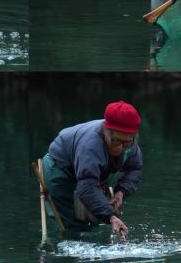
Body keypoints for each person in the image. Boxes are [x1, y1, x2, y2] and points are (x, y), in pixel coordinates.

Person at [41, 101, 143, 238]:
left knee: (94, 220)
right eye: (116, 141)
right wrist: (111, 216)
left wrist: (121, 192)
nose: (120, 148)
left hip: (89, 173)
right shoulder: (90, 145)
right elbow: (86, 187)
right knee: (70, 224)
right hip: (60, 168)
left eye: (126, 143)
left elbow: (134, 168)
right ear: (106, 131)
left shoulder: (130, 144)